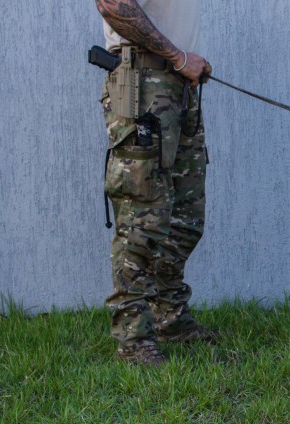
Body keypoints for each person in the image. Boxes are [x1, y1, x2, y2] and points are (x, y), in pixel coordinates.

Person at [95, 0, 218, 367]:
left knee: (185, 216)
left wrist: (184, 64)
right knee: (141, 214)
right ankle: (133, 339)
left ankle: (169, 318)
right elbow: (112, 5)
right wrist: (178, 56)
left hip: (179, 85)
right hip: (141, 82)